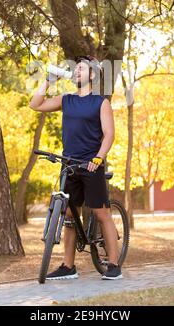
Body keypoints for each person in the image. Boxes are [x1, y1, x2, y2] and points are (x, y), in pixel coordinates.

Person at [29, 55, 122, 280]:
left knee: (102, 213)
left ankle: (113, 265)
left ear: (91, 75)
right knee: (70, 215)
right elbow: (35, 104)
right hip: (69, 165)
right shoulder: (66, 99)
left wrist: (99, 158)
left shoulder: (101, 102)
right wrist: (48, 80)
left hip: (92, 165)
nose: (76, 72)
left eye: (81, 69)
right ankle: (68, 267)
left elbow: (109, 134)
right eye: (75, 69)